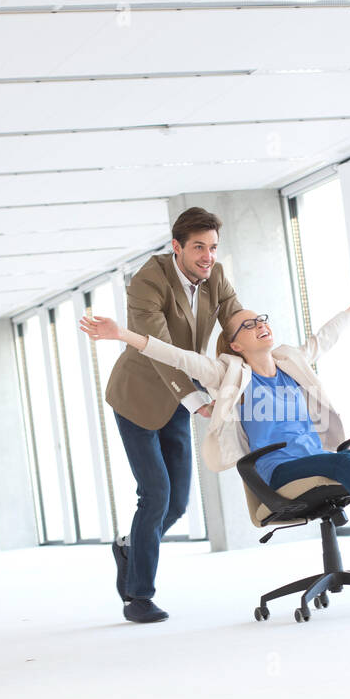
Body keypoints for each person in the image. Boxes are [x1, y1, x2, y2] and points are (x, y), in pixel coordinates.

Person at [81, 284, 350, 536]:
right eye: (247, 325)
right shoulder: (227, 373)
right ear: (235, 345)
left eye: (260, 319)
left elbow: (325, 338)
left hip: (314, 459)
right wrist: (125, 336)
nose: (259, 325)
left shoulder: (290, 363)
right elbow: (177, 357)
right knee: (341, 465)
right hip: (277, 470)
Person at [102, 208, 245, 624]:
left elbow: (236, 317)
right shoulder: (147, 282)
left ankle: (131, 547)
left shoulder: (214, 276)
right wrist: (193, 398)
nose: (207, 256)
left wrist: (262, 348)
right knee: (156, 494)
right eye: (198, 247)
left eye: (213, 247)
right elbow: (157, 347)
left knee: (177, 504)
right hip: (138, 397)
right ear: (177, 246)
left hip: (182, 400)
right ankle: (138, 596)